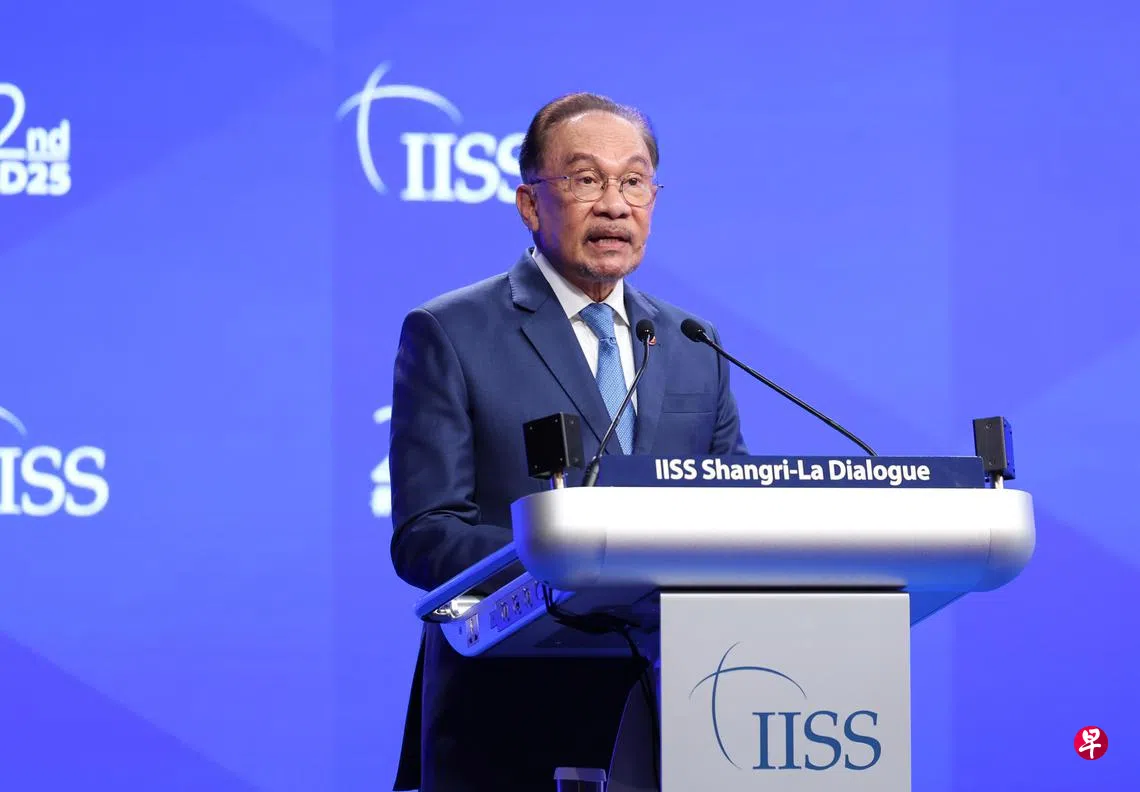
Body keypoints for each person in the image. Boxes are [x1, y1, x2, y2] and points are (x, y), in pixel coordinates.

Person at [388, 92, 748, 792]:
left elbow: (730, 507)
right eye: (586, 179)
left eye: (634, 181)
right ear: (530, 203)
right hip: (508, 715)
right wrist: (572, 563)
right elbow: (426, 534)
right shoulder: (451, 332)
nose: (614, 205)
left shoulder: (689, 343)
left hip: (681, 710)